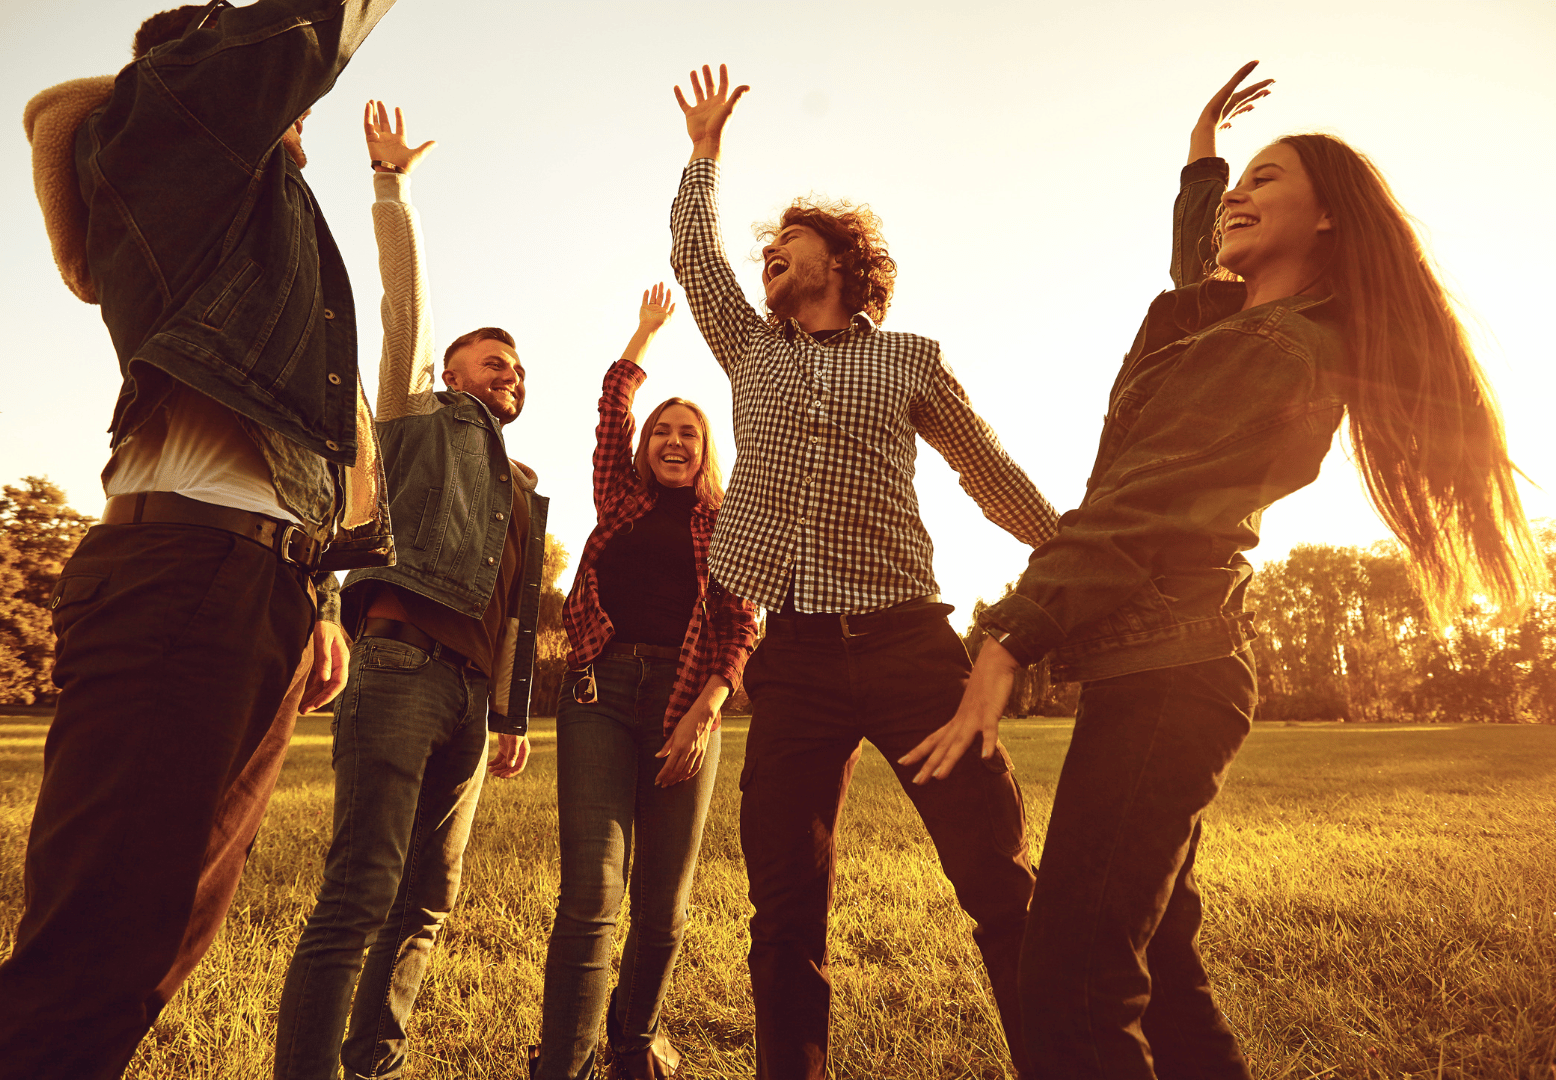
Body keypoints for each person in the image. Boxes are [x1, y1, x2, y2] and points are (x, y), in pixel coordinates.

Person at [903, 63, 1547, 1080]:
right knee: (1159, 968)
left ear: (1329, 218)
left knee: (1070, 991)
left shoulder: (1274, 352)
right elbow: (1196, 270)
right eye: (1238, 185)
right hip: (1161, 672)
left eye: (1268, 180)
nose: (1241, 196)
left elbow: (1139, 505)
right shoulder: (1235, 322)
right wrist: (1203, 158)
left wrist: (1008, 637)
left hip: (1168, 681)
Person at [0, 4, 398, 1078]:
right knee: (98, 948)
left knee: (151, 944)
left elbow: (315, 434)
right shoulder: (177, 128)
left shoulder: (248, 227)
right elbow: (303, 28)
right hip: (186, 582)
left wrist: (322, 589)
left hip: (248, 585)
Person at [668, 65, 1059, 1080]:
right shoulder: (749, 352)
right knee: (785, 903)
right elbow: (696, 262)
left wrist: (1068, 555)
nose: (768, 257)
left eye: (787, 245)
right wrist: (703, 158)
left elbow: (982, 466)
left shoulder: (912, 359)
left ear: (840, 262)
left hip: (909, 652)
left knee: (993, 877)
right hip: (792, 657)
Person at [274, 101, 547, 1080]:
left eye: (518, 372)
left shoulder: (520, 489)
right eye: (493, 361)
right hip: (397, 668)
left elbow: (517, 613)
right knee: (362, 889)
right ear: (449, 371)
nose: (509, 376)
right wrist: (393, 188)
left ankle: (374, 1066)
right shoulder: (411, 415)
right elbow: (403, 314)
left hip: (472, 700)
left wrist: (511, 715)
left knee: (430, 898)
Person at [531, 285, 760, 1080]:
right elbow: (608, 410)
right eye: (661, 430)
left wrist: (703, 712)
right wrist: (644, 336)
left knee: (663, 906)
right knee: (593, 893)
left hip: (688, 702)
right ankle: (561, 1063)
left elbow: (742, 627)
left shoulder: (727, 523)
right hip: (599, 696)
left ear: (705, 451)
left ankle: (632, 1042)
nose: (670, 440)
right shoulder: (618, 499)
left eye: (687, 432)